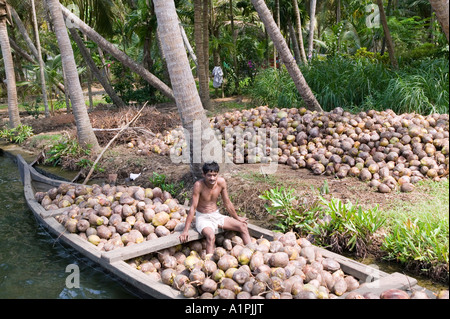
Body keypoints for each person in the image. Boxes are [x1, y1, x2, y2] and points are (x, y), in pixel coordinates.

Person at [179, 161, 251, 255]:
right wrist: (185, 230)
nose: (212, 178)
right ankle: (210, 262)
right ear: (204, 174)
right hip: (203, 218)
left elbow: (227, 203)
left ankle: (252, 251)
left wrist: (237, 218)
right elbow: (193, 207)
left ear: (218, 174)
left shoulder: (221, 182)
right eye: (209, 175)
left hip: (216, 215)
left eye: (214, 175)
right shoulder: (199, 185)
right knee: (211, 236)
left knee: (243, 226)